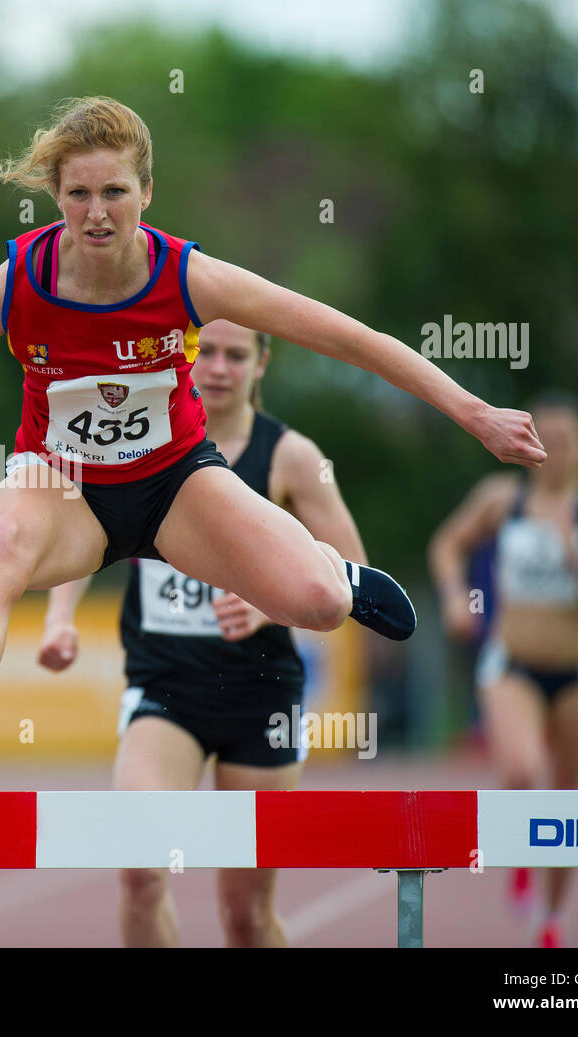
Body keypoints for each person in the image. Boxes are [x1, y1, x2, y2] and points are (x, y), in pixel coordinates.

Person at [0, 96, 545, 812]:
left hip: (174, 483)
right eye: (78, 193)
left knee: (319, 606)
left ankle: (341, 576)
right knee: (0, 544)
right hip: (62, 483)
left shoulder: (189, 277)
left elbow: (348, 338)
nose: (97, 212)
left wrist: (472, 411)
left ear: (146, 192)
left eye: (114, 191)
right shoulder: (17, 285)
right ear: (54, 197)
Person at [37, 320, 367, 947]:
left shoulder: (292, 456)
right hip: (166, 687)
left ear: (262, 363)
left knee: (244, 916)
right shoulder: (136, 431)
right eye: (204, 351)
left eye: (235, 355)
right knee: (139, 872)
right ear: (181, 355)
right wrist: (59, 619)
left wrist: (273, 605)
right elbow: (82, 529)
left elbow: (352, 571)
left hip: (259, 693)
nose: (217, 367)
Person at [428, 391, 578, 948]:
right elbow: (448, 543)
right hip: (511, 663)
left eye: (567, 442)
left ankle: (550, 916)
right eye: (548, 439)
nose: (556, 452)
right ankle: (519, 856)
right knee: (521, 767)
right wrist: (453, 596)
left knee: (567, 802)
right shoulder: (502, 499)